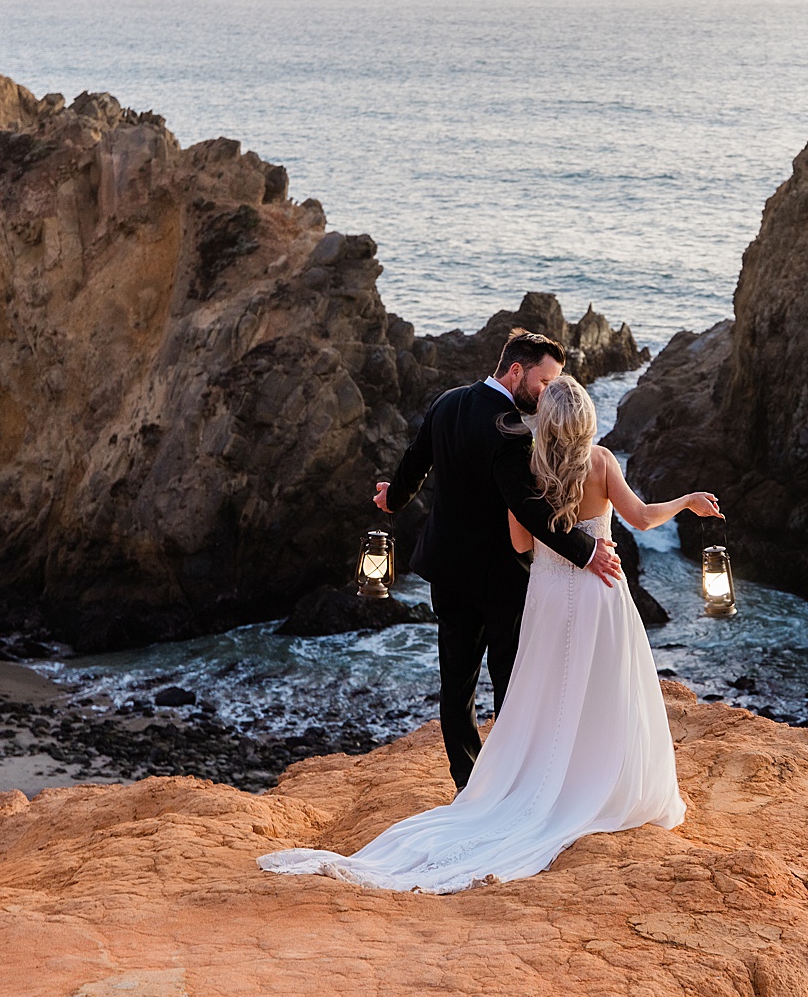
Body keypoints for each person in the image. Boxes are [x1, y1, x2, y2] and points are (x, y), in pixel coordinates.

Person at [258, 374, 722, 892]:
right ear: (587, 418)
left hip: (547, 595)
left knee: (546, 691)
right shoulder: (603, 461)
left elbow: (520, 543)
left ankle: (534, 784)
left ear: (545, 422)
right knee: (605, 689)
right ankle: (597, 783)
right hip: (600, 589)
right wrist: (685, 502)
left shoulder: (530, 468)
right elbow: (638, 518)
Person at [372, 329, 623, 789]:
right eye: (544, 382)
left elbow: (417, 459)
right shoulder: (511, 429)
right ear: (515, 371)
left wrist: (395, 497)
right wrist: (586, 552)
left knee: (458, 684)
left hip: (447, 571)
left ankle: (468, 784)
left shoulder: (447, 402)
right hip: (500, 577)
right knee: (511, 682)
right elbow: (529, 508)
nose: (547, 394)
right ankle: (512, 782)